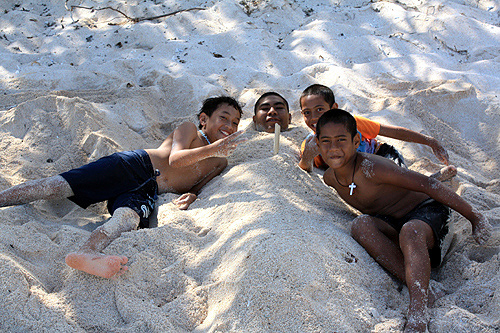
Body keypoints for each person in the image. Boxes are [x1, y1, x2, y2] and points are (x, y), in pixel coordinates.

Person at [0, 96, 246, 279]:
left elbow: (198, 186)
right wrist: (214, 149)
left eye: (235, 122)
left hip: (149, 191)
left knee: (126, 220)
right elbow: (176, 159)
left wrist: (192, 194)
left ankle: (87, 253)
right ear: (204, 119)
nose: (229, 126)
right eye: (223, 117)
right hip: (133, 165)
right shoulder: (190, 130)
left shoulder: (220, 161)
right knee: (57, 187)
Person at [315, 109, 492, 332]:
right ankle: (426, 287)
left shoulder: (373, 167)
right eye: (326, 142)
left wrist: (474, 217)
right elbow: (306, 157)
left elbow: (428, 186)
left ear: (356, 140)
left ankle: (419, 309)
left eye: (341, 140)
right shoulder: (330, 178)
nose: (333, 148)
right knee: (361, 225)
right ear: (318, 144)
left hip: (428, 214)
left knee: (411, 230)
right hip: (393, 223)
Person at [299, 84, 453, 180]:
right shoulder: (311, 143)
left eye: (320, 109)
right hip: (356, 172)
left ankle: (428, 181)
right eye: (307, 113)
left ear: (334, 109)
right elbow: (306, 167)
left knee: (396, 175)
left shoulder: (353, 123)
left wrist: (430, 141)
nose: (314, 117)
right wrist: (307, 156)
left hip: (380, 154)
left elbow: (392, 132)